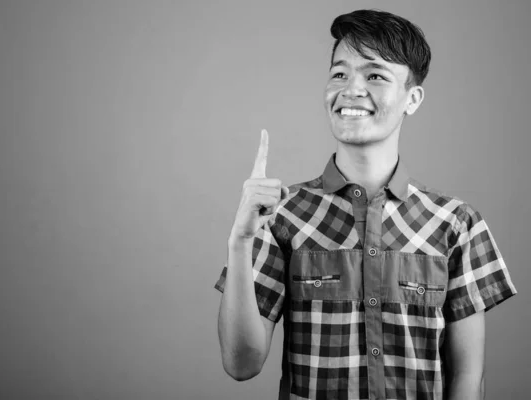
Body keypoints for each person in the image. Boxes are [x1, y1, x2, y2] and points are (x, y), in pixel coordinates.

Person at [214, 8, 517, 400]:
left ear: (413, 98)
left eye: (374, 75)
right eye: (339, 74)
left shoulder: (457, 224)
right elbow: (241, 365)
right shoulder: (280, 216)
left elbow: (467, 380)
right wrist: (239, 242)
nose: (351, 89)